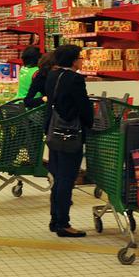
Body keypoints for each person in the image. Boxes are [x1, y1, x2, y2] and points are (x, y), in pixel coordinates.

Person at [44, 45, 94, 238]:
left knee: (58, 177)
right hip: (70, 134)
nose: (81, 61)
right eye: (80, 58)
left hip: (53, 132)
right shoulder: (74, 79)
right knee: (67, 178)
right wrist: (89, 124)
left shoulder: (52, 75)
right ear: (74, 61)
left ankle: (55, 219)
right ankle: (63, 223)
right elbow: (83, 106)